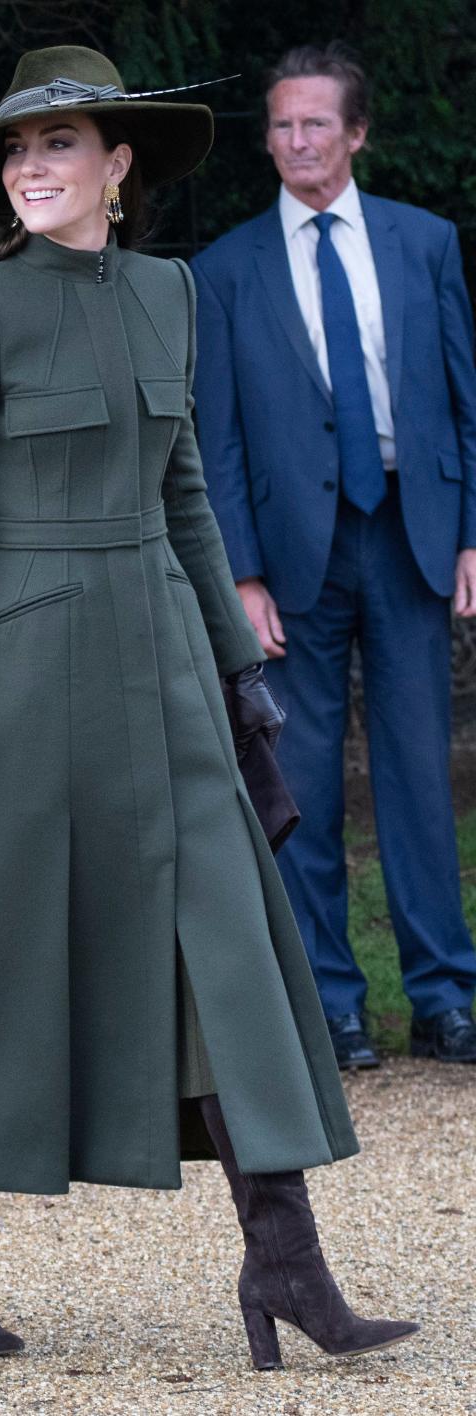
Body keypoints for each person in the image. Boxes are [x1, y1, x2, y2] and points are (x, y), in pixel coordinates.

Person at [0, 45, 418, 1370]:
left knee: (224, 946)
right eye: (16, 150)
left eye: (61, 147)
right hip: (29, 673)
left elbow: (186, 500)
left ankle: (284, 1259)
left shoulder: (169, 293)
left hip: (166, 655)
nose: (32, 169)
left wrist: (241, 678)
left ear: (118, 165)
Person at [191, 44, 476, 1070]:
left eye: (316, 123)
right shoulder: (223, 272)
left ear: (356, 133)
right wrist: (240, 573)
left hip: (409, 536)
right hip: (287, 561)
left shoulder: (426, 243)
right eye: (280, 124)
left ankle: (445, 997)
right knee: (299, 782)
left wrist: (471, 530)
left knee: (416, 774)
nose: (296, 140)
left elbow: (461, 395)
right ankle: (328, 1003)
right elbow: (214, 438)